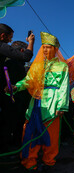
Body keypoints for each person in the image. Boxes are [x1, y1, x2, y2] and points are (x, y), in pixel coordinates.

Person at [11, 32, 69, 173]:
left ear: (55, 49)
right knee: (29, 134)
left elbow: (64, 87)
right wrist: (16, 87)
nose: (45, 50)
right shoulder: (37, 65)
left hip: (52, 106)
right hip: (35, 104)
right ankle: (29, 166)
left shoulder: (62, 66)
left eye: (49, 47)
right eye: (43, 47)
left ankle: (48, 165)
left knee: (51, 137)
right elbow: (28, 80)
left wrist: (61, 105)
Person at [0, 24, 34, 154]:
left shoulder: (6, 62)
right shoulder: (14, 62)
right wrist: (31, 42)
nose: (10, 41)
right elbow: (27, 57)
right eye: (9, 38)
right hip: (12, 100)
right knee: (9, 124)